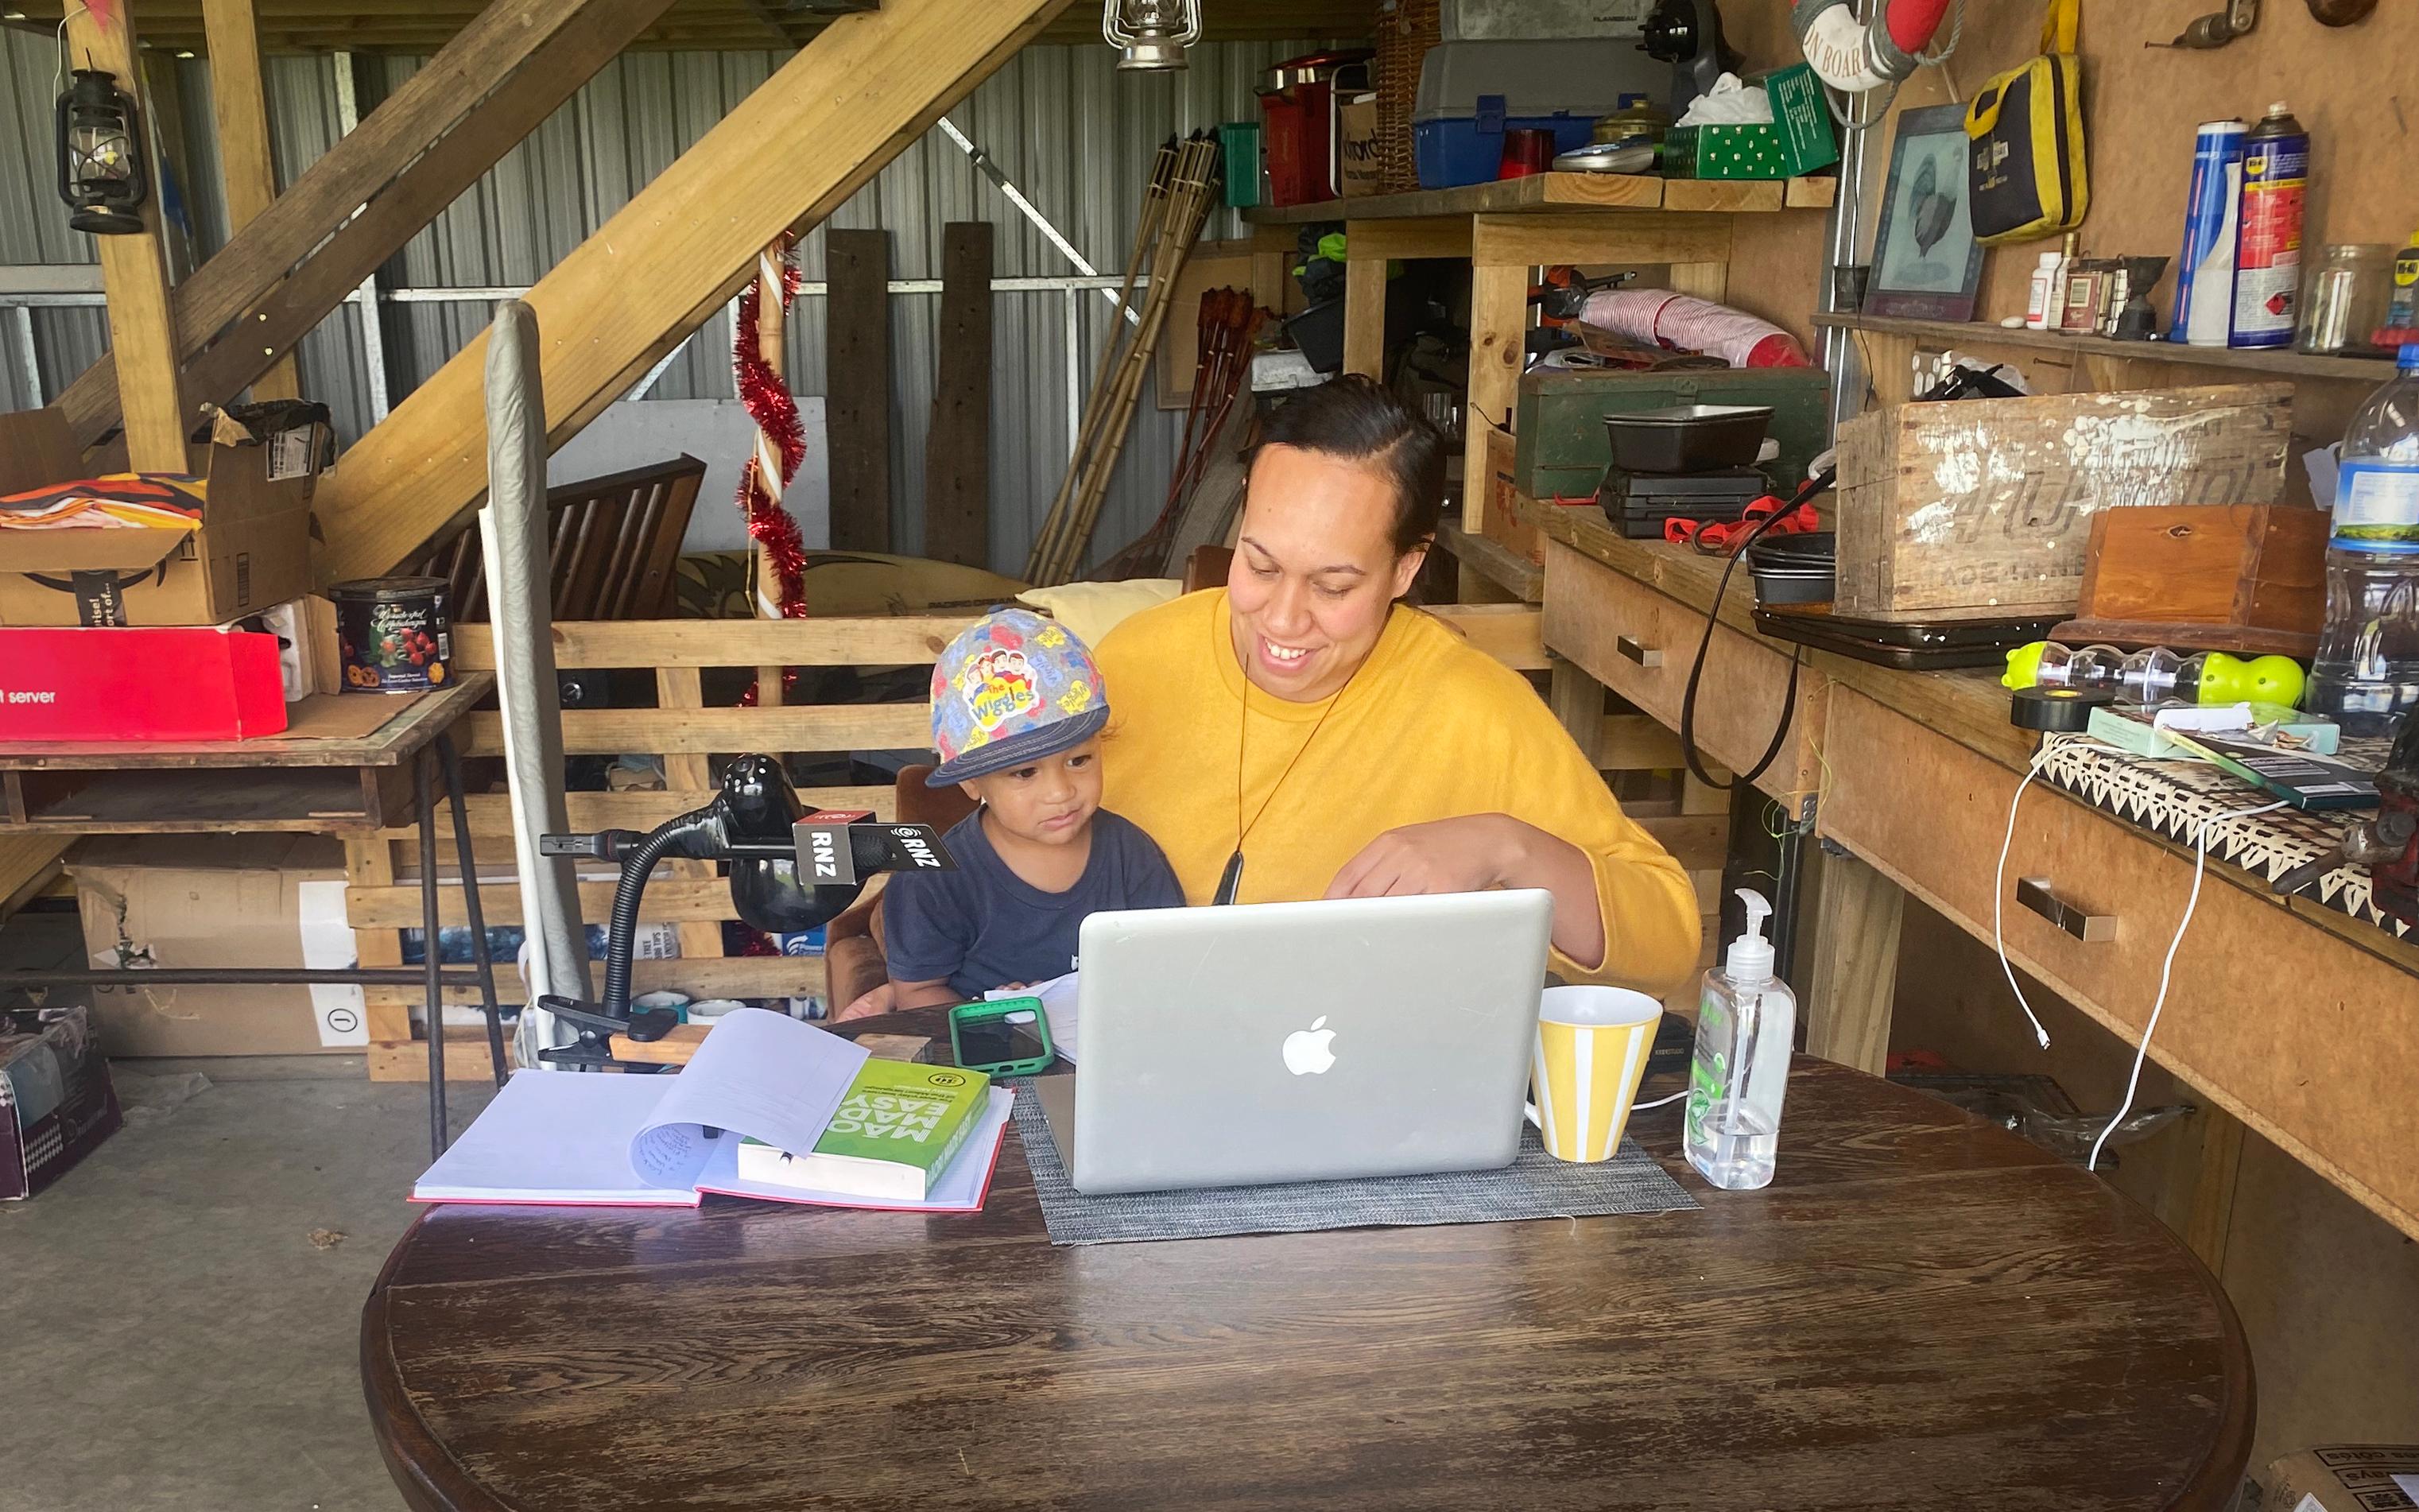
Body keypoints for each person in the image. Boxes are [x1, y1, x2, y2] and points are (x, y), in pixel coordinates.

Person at [1094, 375, 1700, 992]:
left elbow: (1668, 944)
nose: (1281, 619)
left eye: (1333, 586)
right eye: (1260, 565)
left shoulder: (1472, 710)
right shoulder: (1133, 662)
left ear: (1405, 567)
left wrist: (1505, 847)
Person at [874, 609, 1186, 1010]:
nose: (1060, 792)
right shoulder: (934, 880)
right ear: (971, 782)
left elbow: (1171, 967)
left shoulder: (1131, 854)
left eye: (1079, 761)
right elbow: (917, 992)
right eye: (1024, 773)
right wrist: (994, 1018)